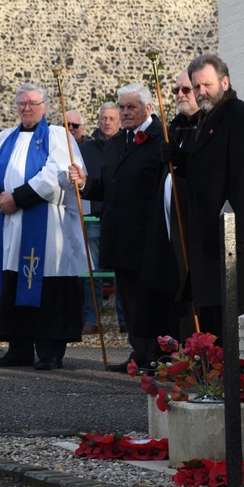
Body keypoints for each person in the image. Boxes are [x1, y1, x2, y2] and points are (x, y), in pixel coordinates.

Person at [0, 83, 87, 370]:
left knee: (47, 287)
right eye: (22, 104)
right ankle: (19, 347)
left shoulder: (57, 136)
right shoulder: (3, 139)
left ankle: (50, 350)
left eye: (33, 103)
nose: (27, 108)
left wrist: (18, 198)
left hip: (47, 228)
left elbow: (56, 174)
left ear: (45, 107)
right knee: (13, 282)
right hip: (8, 226)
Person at [180, 54, 244, 340]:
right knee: (217, 340)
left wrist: (240, 238)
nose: (201, 92)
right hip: (213, 253)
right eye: (196, 86)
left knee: (240, 343)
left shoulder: (243, 117)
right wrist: (182, 161)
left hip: (240, 252)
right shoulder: (205, 120)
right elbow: (210, 172)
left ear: (224, 82)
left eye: (207, 85)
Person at [72, 84, 164, 371]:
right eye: (122, 107)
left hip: (148, 234)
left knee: (149, 297)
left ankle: (157, 353)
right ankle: (139, 351)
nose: (125, 112)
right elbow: (109, 188)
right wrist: (85, 183)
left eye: (131, 107)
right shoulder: (116, 142)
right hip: (119, 234)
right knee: (129, 296)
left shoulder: (161, 140)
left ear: (147, 108)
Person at [142, 69, 201, 342]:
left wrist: (183, 159)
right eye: (176, 90)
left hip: (192, 223)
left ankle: (196, 348)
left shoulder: (205, 126)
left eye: (185, 90)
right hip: (165, 221)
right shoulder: (174, 126)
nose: (179, 95)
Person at [78, 103, 125, 334]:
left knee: (123, 269)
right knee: (92, 271)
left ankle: (125, 319)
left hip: (119, 215)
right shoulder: (86, 149)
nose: (107, 122)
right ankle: (92, 317)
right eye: (103, 118)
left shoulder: (126, 145)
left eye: (111, 118)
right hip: (94, 216)